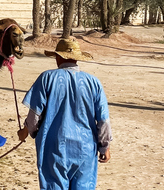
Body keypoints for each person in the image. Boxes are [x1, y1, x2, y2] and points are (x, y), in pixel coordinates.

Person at [18, 38, 112, 190]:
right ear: (76, 58)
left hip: (54, 146)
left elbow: (34, 116)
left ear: (58, 57)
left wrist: (27, 132)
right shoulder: (93, 82)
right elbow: (103, 120)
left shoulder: (46, 78)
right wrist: (104, 147)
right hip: (86, 147)